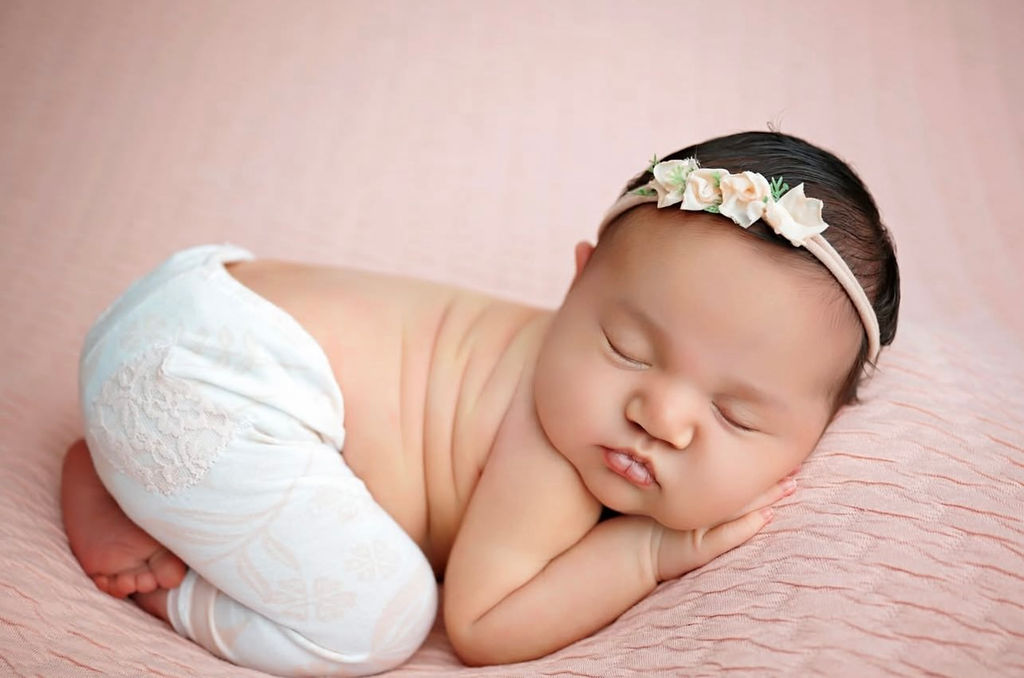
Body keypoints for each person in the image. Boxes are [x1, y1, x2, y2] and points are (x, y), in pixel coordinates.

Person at [61, 130, 900, 676]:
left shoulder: (594, 388)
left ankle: (134, 469)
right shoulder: (559, 447)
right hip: (205, 386)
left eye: (735, 415)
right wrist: (648, 554)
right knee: (377, 620)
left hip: (204, 300)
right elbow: (485, 624)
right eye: (626, 350)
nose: (659, 416)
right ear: (576, 283)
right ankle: (156, 550)